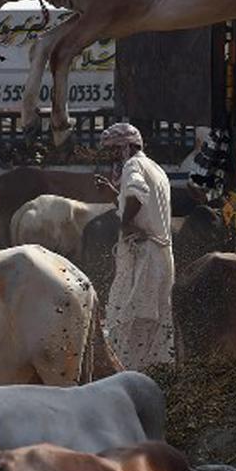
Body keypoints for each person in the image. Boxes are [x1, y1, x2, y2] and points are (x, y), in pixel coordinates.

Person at [95, 123, 176, 370]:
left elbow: (136, 194)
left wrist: (125, 225)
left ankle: (125, 380)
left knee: (130, 322)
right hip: (160, 256)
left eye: (114, 150)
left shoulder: (134, 165)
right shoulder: (156, 169)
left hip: (144, 255)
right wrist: (114, 195)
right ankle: (154, 377)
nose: (112, 157)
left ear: (128, 147)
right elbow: (135, 197)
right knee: (156, 324)